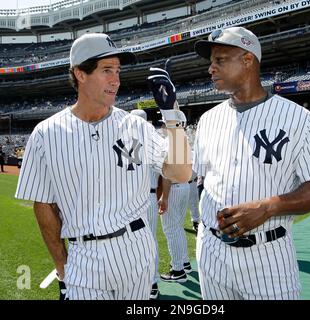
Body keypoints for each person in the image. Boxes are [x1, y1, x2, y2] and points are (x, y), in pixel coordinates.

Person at [15, 33, 192, 300]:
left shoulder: (136, 126)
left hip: (135, 251)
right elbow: (44, 205)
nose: (116, 80)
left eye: (118, 71)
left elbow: (181, 173)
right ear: (80, 74)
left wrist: (172, 118)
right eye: (106, 70)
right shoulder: (45, 134)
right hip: (82, 257)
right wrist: (61, 265)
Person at [193, 26, 310, 300]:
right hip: (210, 251)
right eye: (211, 62)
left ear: (248, 60)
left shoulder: (297, 118)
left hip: (267, 255)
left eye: (220, 60)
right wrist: (172, 121)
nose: (210, 69)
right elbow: (187, 176)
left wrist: (269, 207)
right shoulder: (207, 120)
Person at [130, 108, 161, 299]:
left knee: (145, 241)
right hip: (144, 197)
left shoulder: (137, 141)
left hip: (142, 198)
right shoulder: (154, 140)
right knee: (141, 241)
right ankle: (147, 281)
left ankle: (152, 282)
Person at [158, 177, 192, 282]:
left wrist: (164, 197)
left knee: (171, 230)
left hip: (172, 188)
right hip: (184, 185)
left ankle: (178, 271)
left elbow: (167, 174)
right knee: (178, 227)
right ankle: (185, 262)